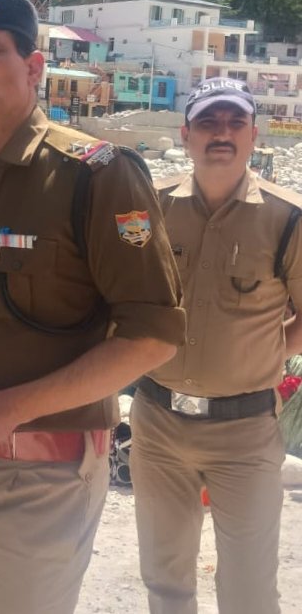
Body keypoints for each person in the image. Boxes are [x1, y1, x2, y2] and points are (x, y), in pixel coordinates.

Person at [0, 0, 186, 614]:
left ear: (33, 67)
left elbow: (153, 335)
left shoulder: (97, 174)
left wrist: (13, 408)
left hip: (44, 474)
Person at [131, 77, 302, 614]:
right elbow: (123, 296)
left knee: (249, 591)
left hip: (244, 433)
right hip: (157, 424)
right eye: (207, 122)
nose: (221, 133)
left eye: (234, 122)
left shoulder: (288, 218)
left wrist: (267, 353)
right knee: (165, 582)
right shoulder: (152, 207)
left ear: (254, 135)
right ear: (186, 135)